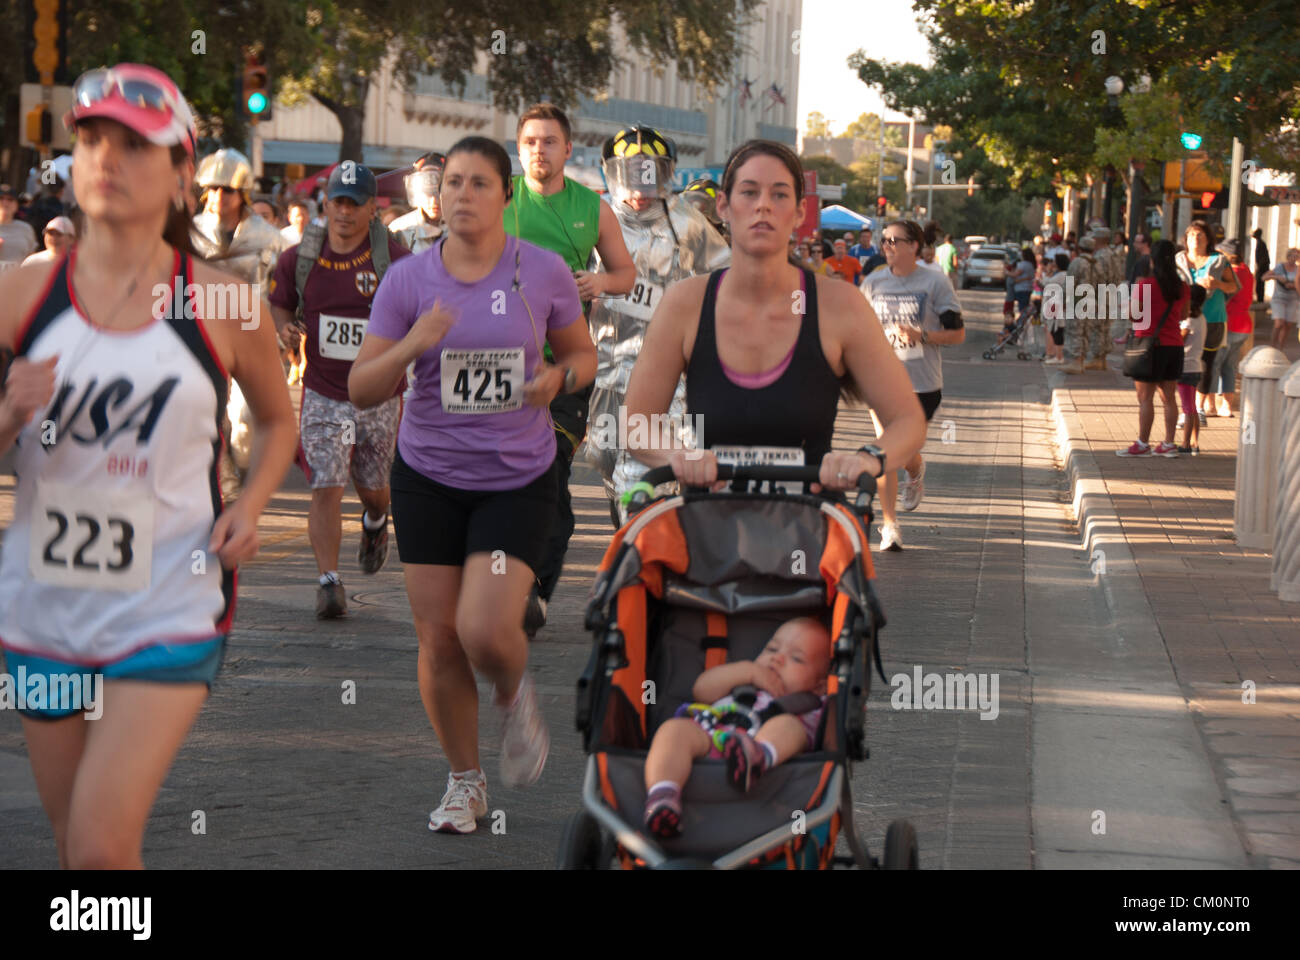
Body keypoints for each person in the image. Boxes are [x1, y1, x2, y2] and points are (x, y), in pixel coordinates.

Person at [0, 63, 297, 868]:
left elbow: (276, 420)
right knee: (72, 845)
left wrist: (253, 500)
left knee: (99, 845)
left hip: (168, 598)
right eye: (92, 138)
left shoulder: (225, 301)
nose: (107, 158)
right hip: (41, 608)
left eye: (136, 145)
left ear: (178, 175)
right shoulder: (21, 294)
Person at [348, 136, 597, 832]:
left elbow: (583, 356)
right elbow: (364, 387)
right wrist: (411, 345)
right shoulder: (408, 281)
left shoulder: (541, 272)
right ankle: (465, 782)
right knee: (440, 641)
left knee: (485, 629)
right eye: (452, 181)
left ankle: (514, 691)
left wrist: (557, 379)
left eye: (478, 183)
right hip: (428, 476)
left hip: (516, 478)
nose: (461, 194)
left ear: (505, 194)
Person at [624, 139, 926, 523]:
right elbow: (636, 423)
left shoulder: (841, 306)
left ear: (799, 212)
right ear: (723, 207)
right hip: (709, 541)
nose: (762, 205)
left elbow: (908, 420)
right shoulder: (684, 304)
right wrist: (678, 457)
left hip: (809, 540)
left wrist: (867, 460)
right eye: (749, 192)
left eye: (779, 195)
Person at [504, 103, 636, 636]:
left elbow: (626, 273)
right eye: (531, 141)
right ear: (519, 149)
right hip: (496, 365)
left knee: (550, 468)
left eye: (550, 141)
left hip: (567, 366)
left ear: (567, 150)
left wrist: (597, 284)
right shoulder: (499, 197)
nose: (540, 149)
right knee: (502, 477)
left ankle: (533, 587)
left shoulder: (592, 208)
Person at [267, 163, 410, 618]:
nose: (345, 212)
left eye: (355, 203)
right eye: (337, 202)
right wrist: (284, 330)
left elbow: (418, 310)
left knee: (373, 486)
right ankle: (328, 581)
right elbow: (279, 304)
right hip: (324, 391)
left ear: (373, 208)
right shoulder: (300, 258)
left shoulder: (395, 259)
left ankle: (375, 519)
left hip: (380, 394)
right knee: (326, 483)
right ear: (325, 205)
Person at [586, 125, 730, 523]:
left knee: (659, 469)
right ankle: (633, 533)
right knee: (607, 459)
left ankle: (655, 550)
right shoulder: (594, 217)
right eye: (629, 176)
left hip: (674, 375)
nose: (639, 189)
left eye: (649, 175)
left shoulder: (687, 223)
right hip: (605, 371)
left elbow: (726, 279)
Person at [642, 617, 831, 837]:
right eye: (772, 648)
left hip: (768, 754)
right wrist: (746, 671)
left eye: (796, 658)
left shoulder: (812, 704)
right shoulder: (742, 683)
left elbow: (834, 721)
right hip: (709, 736)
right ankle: (663, 795)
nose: (778, 658)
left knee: (789, 726)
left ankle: (757, 756)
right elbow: (701, 690)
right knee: (673, 729)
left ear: (820, 685)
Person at [859, 219, 965, 550]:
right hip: (882, 380)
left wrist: (924, 336)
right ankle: (889, 526)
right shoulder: (874, 282)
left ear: (913, 246)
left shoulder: (935, 283)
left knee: (904, 453)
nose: (887, 246)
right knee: (885, 449)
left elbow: (958, 334)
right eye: (884, 240)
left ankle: (916, 471)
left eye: (894, 241)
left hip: (923, 384)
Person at [1117, 239, 1188, 458]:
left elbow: (1134, 314)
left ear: (1153, 260)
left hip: (1147, 345)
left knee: (1145, 398)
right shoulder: (1182, 287)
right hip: (1174, 345)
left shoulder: (1144, 285)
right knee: (1169, 397)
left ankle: (1142, 443)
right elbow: (1184, 315)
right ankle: (1168, 443)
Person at [191, 148, 285, 290]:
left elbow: (277, 289)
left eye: (228, 189)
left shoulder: (268, 236)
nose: (220, 195)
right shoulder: (191, 231)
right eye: (214, 188)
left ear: (243, 194)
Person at [1175, 220, 1239, 421]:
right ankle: (1186, 407)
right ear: (1186, 239)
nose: (1196, 238)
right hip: (1184, 319)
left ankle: (1198, 408)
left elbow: (1234, 287)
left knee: (1207, 364)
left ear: (1208, 238)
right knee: (1183, 363)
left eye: (1200, 234)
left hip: (1213, 318)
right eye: (1192, 234)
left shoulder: (1219, 261)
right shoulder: (1178, 260)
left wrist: (1217, 283)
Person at [1214, 239, 1254, 416]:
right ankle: (1227, 406)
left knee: (1216, 364)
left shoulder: (1230, 274)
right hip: (1243, 325)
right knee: (1229, 366)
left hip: (1228, 323)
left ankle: (1213, 405)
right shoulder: (1247, 271)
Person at [388, 152, 446, 253]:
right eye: (428, 194)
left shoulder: (464, 227)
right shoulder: (399, 228)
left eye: (439, 194)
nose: (434, 201)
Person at [1176, 285, 1208, 454]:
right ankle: (1194, 442)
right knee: (1193, 407)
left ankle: (1186, 443)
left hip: (1186, 367)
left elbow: (1179, 339)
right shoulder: (1201, 318)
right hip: (1196, 366)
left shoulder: (1189, 321)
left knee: (1187, 408)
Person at [1064, 235, 1100, 372]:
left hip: (1078, 301)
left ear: (1080, 247)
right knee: (1086, 331)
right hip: (1093, 302)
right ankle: (1082, 360)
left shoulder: (1077, 262)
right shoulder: (1097, 263)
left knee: (1075, 331)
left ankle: (1076, 362)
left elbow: (1070, 283)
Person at [1262, 247, 1299, 350]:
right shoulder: (1280, 267)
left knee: (1288, 324)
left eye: (1296, 256)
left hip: (1293, 298)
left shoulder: (1298, 269)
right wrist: (1277, 277)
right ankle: (1272, 346)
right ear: (1288, 256)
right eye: (1292, 255)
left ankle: (1281, 348)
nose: (1294, 258)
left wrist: (1294, 286)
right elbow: (1263, 277)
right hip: (1279, 298)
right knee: (1279, 323)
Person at [0, 184, 39, 271]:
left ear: (16, 205)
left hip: (19, 281)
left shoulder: (26, 228)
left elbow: (32, 259)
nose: (5, 203)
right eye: (1, 198)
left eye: (10, 199)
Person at [1041, 252, 1069, 364]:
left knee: (1057, 331)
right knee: (1056, 331)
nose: (1052, 264)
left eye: (1054, 262)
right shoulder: (1064, 274)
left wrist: (1048, 271)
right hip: (1057, 307)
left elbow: (1046, 283)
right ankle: (1058, 355)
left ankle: (1059, 356)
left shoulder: (1060, 276)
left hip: (1056, 308)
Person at [1253, 228, 1271, 303]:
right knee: (1259, 284)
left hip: (1262, 268)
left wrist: (1259, 267)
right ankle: (1259, 298)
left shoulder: (1261, 244)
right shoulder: (1259, 243)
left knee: (1260, 284)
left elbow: (1263, 258)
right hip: (1261, 267)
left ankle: (1260, 299)